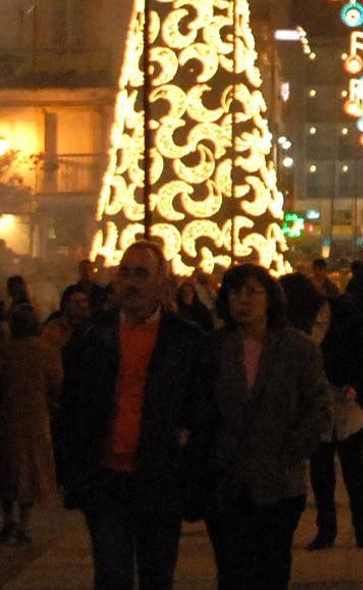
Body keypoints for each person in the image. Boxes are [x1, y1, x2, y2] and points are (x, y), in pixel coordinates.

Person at [56, 239, 213, 590]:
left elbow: (200, 412)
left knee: (157, 577)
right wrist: (73, 473)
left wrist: (187, 471)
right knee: (112, 576)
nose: (131, 282)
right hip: (106, 479)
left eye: (142, 274)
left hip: (159, 480)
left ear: (162, 281)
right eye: (124, 273)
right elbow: (71, 408)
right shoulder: (93, 336)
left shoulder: (185, 341)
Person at [206, 263, 333, 590]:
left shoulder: (297, 348)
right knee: (232, 572)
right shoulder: (215, 348)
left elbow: (318, 407)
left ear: (270, 298)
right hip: (228, 482)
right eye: (235, 292)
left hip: (278, 484)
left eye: (252, 291)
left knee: (272, 570)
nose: (242, 300)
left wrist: (290, 452)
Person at [282, 273, 363, 552]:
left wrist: (356, 384)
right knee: (321, 468)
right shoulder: (292, 326)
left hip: (350, 400)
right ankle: (326, 529)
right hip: (317, 403)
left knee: (353, 466)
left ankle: (362, 527)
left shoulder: (342, 311)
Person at [0, 306, 61, 544]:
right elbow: (56, 383)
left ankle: (8, 520)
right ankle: (24, 525)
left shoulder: (5, 352)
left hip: (7, 416)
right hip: (36, 417)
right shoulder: (46, 351)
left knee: (6, 469)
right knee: (29, 471)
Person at [41, 286, 93, 355]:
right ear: (67, 305)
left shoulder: (91, 324)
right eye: (76, 302)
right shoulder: (55, 328)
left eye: (84, 300)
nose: (82, 305)